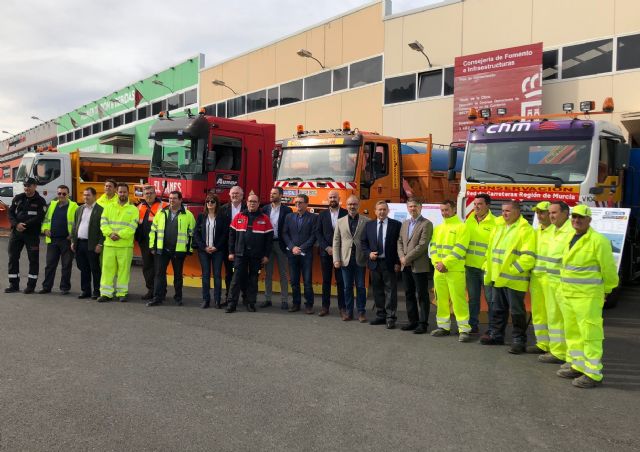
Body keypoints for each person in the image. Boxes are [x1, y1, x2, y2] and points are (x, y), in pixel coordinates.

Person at [556, 204, 618, 388]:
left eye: (581, 218)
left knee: (591, 335)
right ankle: (578, 365)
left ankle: (592, 373)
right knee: (573, 333)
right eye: (574, 217)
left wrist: (607, 290)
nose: (576, 220)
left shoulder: (598, 241)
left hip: (588, 297)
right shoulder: (570, 237)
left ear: (589, 220)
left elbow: (609, 270)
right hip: (568, 295)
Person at [481, 200, 536, 353]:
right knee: (498, 309)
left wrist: (511, 270)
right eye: (503, 211)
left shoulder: (526, 230)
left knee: (517, 311)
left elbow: (528, 257)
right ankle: (497, 335)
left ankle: (519, 340)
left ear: (517, 212)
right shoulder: (500, 227)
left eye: (508, 211)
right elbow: (490, 249)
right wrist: (487, 265)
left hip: (514, 280)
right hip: (497, 277)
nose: (504, 214)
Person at [429, 200, 472, 341]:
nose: (444, 213)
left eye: (446, 210)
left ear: (454, 209)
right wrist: (437, 263)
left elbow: (460, 249)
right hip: (439, 270)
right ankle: (443, 327)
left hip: (454, 271)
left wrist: (445, 263)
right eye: (442, 210)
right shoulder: (438, 228)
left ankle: (464, 330)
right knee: (441, 300)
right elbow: (433, 247)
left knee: (458, 300)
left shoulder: (462, 227)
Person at [538, 201, 573, 365]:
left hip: (565, 284)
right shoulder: (553, 231)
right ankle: (558, 352)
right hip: (551, 282)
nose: (551, 216)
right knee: (554, 318)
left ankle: (571, 357)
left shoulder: (570, 232)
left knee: (569, 321)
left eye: (555, 213)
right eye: (550, 213)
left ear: (566, 213)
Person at [226, 192, 273, 313]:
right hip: (240, 255)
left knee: (253, 280)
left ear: (258, 204)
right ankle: (232, 304)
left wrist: (266, 255)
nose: (252, 203)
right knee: (236, 279)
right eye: (250, 201)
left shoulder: (265, 219)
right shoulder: (239, 217)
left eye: (254, 201)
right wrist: (231, 252)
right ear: (246, 203)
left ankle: (250, 303)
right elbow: (231, 236)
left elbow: (269, 240)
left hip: (256, 256)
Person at [146, 191, 196, 307]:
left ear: (180, 200)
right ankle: (158, 297)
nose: (171, 200)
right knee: (159, 274)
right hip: (162, 249)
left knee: (178, 275)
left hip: (179, 250)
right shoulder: (161, 213)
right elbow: (153, 231)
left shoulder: (188, 215)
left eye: (174, 198)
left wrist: (189, 249)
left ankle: (178, 298)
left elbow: (192, 234)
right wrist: (152, 246)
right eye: (170, 198)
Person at [362, 200, 402, 329]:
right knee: (377, 290)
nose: (382, 212)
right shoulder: (369, 225)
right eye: (379, 209)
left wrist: (397, 262)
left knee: (391, 291)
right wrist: (369, 253)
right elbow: (364, 243)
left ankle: (391, 317)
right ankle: (381, 315)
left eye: (384, 209)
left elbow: (399, 245)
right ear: (375, 211)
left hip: (389, 263)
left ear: (388, 211)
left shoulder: (396, 225)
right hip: (374, 263)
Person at [97, 183, 139, 303]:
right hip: (110, 244)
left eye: (124, 192)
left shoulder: (133, 209)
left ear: (128, 193)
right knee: (107, 270)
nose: (122, 194)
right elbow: (103, 223)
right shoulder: (109, 207)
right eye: (120, 192)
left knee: (123, 271)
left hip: (125, 246)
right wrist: (110, 234)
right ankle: (106, 293)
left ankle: (122, 293)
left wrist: (118, 235)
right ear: (117, 192)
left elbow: (132, 227)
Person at [5, 177, 47, 294]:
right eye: (25, 186)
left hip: (31, 235)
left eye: (29, 186)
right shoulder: (18, 198)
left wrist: (25, 225)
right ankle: (13, 284)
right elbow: (10, 212)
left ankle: (31, 286)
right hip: (16, 233)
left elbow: (39, 217)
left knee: (33, 260)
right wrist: (16, 224)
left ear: (35, 186)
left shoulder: (40, 201)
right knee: (13, 257)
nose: (26, 188)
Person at [397, 198, 432, 334]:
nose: (412, 209)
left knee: (422, 295)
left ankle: (423, 324)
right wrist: (401, 257)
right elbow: (399, 242)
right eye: (410, 206)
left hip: (419, 266)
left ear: (421, 207)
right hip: (405, 265)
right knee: (409, 294)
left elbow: (422, 245)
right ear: (407, 208)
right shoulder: (405, 224)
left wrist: (407, 258)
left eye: (415, 206)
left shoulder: (426, 224)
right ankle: (413, 321)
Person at [464, 193, 497, 334]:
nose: (476, 207)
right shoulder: (468, 221)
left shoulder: (496, 223)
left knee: (490, 300)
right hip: (470, 267)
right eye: (475, 204)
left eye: (480, 204)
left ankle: (492, 328)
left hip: (487, 268)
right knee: (473, 299)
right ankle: (473, 325)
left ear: (488, 206)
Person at [333, 195, 370, 322]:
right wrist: (336, 259)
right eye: (350, 204)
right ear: (346, 205)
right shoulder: (340, 221)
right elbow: (336, 241)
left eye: (354, 204)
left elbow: (369, 241)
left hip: (360, 259)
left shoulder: (366, 221)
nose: (352, 207)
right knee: (347, 287)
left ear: (359, 205)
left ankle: (361, 312)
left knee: (360, 287)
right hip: (345, 259)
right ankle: (349, 312)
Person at [39, 185, 78, 295]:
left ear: (68, 194)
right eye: (59, 193)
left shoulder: (74, 207)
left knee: (66, 265)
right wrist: (45, 229)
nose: (61, 195)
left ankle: (64, 288)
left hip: (66, 240)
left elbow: (78, 223)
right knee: (50, 265)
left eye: (64, 194)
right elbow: (46, 220)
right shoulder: (52, 205)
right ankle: (46, 287)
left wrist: (73, 235)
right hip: (52, 240)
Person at [282, 193, 317, 314]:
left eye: (300, 202)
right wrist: (292, 247)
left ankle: (309, 305)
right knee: (294, 280)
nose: (298, 204)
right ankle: (296, 303)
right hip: (292, 254)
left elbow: (313, 236)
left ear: (306, 204)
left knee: (307, 281)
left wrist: (301, 248)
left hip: (306, 254)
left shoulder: (313, 218)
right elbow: (285, 233)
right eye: (296, 202)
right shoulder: (289, 217)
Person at [193, 193, 228, 309]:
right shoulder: (201, 216)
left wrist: (216, 247)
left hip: (217, 251)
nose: (210, 203)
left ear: (217, 204)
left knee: (217, 275)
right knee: (205, 275)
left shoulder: (222, 217)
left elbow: (224, 234)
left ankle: (217, 300)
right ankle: (205, 300)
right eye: (208, 201)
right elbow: (196, 233)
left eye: (212, 201)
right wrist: (204, 247)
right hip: (204, 251)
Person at [527, 201, 553, 354]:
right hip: (537, 278)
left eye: (542, 212)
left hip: (551, 279)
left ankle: (556, 348)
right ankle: (542, 343)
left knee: (553, 314)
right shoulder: (535, 232)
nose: (539, 215)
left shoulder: (557, 233)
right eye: (537, 212)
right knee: (538, 312)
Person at [316, 190, 347, 317]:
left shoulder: (345, 213)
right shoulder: (322, 214)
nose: (332, 199)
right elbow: (318, 232)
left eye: (335, 197)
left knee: (341, 281)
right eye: (330, 197)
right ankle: (325, 307)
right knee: (326, 281)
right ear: (327, 199)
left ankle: (342, 308)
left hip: (341, 253)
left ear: (339, 199)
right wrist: (327, 247)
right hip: (326, 253)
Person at [261, 187, 292, 310]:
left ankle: (284, 300)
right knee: (268, 273)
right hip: (268, 245)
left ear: (281, 195)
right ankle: (267, 299)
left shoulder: (287, 210)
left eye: (274, 193)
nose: (271, 195)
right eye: (271, 193)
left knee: (283, 274)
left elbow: (289, 228)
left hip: (281, 244)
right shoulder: (265, 209)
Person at [70, 187, 104, 299]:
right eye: (84, 195)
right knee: (83, 268)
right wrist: (73, 241)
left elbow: (102, 229)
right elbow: (75, 226)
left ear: (95, 196)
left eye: (88, 195)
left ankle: (97, 291)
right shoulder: (79, 209)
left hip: (92, 244)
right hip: (80, 243)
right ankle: (85, 291)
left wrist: (100, 244)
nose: (85, 197)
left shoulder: (100, 210)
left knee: (95, 268)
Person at [136, 185, 167, 300]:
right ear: (143, 195)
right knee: (147, 267)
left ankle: (160, 292)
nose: (149, 195)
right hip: (144, 242)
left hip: (158, 242)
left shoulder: (163, 206)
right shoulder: (139, 207)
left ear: (155, 194)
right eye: (146, 193)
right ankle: (151, 289)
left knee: (159, 268)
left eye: (151, 193)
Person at [219, 185, 246, 304]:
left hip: (244, 246)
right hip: (227, 246)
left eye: (237, 193)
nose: (235, 195)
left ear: (242, 195)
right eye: (233, 193)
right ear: (229, 195)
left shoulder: (247, 208)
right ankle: (229, 298)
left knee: (244, 273)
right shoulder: (222, 209)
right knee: (229, 274)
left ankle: (246, 299)